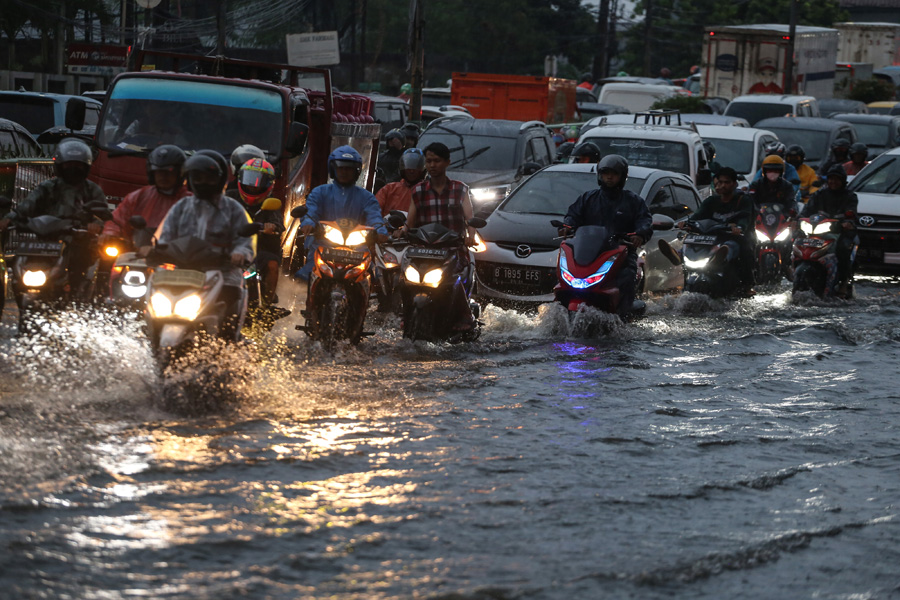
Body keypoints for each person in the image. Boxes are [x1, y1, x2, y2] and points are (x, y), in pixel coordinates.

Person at [156, 150, 256, 340]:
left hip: (222, 273)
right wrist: (155, 249)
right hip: (181, 272)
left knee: (229, 311)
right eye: (197, 177)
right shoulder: (181, 207)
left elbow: (245, 242)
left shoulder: (233, 209)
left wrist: (239, 253)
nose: (203, 182)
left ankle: (227, 347)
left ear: (219, 179)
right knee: (151, 305)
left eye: (208, 178)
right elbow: (165, 237)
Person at [0, 139, 108, 297]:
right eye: (68, 165)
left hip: (78, 242)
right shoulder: (48, 187)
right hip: (43, 242)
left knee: (81, 265)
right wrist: (9, 219)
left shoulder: (92, 190)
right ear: (59, 166)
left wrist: (96, 225)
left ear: (86, 167)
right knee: (18, 263)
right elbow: (27, 205)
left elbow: (105, 217)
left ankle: (77, 298)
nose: (73, 169)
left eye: (78, 165)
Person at [561, 154, 653, 318]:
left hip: (620, 254)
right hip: (589, 253)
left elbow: (644, 222)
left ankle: (622, 316)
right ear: (599, 175)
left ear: (622, 177)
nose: (609, 177)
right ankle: (559, 310)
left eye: (614, 173)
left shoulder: (633, 201)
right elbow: (573, 215)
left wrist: (640, 234)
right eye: (605, 173)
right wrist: (567, 226)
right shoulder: (588, 198)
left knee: (628, 275)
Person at [401, 142, 478, 331]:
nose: (432, 165)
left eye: (437, 161)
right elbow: (410, 222)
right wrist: (401, 230)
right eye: (429, 161)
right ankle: (405, 313)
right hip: (423, 250)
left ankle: (465, 316)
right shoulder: (418, 191)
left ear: (447, 163)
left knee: (456, 277)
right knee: (401, 276)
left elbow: (470, 218)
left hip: (452, 249)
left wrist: (471, 234)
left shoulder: (460, 190)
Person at [296, 146, 388, 280]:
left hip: (357, 249)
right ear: (333, 169)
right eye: (341, 168)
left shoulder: (367, 197)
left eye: (349, 169)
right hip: (323, 246)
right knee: (304, 277)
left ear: (356, 171)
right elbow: (311, 210)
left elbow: (374, 216)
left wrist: (380, 230)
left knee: (375, 278)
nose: (344, 172)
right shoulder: (320, 192)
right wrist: (308, 222)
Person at [679, 167, 756, 296]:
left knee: (740, 248)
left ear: (734, 184)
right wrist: (686, 223)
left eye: (727, 182)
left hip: (735, 238)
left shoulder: (743, 200)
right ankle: (679, 256)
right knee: (689, 242)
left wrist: (739, 227)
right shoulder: (711, 201)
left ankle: (747, 284)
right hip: (711, 237)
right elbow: (698, 215)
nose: (722, 185)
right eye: (720, 182)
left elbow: (745, 218)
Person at [101, 144, 189, 247]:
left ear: (180, 174)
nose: (163, 177)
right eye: (159, 172)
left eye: (168, 173)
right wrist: (110, 234)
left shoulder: (190, 201)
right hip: (137, 257)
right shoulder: (138, 196)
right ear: (152, 174)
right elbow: (117, 220)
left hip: (179, 259)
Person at [800, 164, 859, 297]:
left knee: (843, 249)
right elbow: (806, 211)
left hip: (841, 233)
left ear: (843, 181)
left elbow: (852, 214)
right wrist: (796, 220)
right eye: (831, 178)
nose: (833, 182)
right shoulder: (819, 194)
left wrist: (848, 222)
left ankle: (843, 282)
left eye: (837, 179)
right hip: (819, 233)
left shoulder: (850, 196)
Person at [235, 157, 286, 309]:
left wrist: (272, 227)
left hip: (259, 250)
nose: (253, 185)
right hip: (231, 247)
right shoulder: (231, 197)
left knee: (272, 265)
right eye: (249, 179)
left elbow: (278, 224)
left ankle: (266, 305)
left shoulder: (271, 203)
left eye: (259, 181)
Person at [376, 148, 425, 217]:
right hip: (387, 226)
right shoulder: (389, 189)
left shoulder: (428, 191)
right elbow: (373, 211)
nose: (411, 171)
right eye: (408, 167)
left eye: (415, 168)